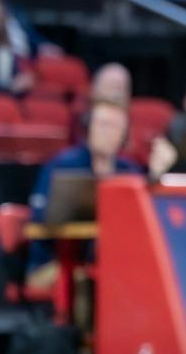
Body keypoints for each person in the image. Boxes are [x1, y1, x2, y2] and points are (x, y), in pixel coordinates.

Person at [25, 98, 158, 284]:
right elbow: (38, 217)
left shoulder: (130, 171)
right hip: (56, 262)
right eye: (103, 125)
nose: (108, 132)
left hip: (112, 260)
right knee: (95, 279)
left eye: (116, 127)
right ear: (88, 129)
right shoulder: (62, 165)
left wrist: (157, 175)